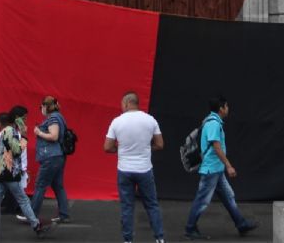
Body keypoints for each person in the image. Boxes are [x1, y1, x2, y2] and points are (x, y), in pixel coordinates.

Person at [183, 95, 258, 240]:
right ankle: (190, 229)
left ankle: (241, 224)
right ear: (221, 108)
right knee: (202, 200)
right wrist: (229, 166)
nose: (228, 109)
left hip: (216, 170)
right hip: (211, 170)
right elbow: (216, 147)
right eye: (227, 106)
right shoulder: (213, 124)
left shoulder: (213, 121)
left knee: (228, 197)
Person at [104, 91, 166, 243]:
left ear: (126, 103)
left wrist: (121, 149)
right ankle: (159, 238)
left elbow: (107, 147)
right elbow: (160, 144)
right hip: (144, 169)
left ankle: (128, 240)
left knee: (127, 207)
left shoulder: (117, 121)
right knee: (152, 205)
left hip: (124, 170)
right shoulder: (150, 120)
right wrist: (145, 148)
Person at [0, 108, 53, 236]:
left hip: (4, 171)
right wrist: (24, 136)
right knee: (23, 199)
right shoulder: (10, 131)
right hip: (10, 172)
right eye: (23, 118)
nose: (25, 121)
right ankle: (36, 225)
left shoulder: (7, 131)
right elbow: (17, 151)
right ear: (16, 118)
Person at [31, 96, 71, 223]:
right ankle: (64, 215)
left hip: (51, 157)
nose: (40, 109)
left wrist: (38, 132)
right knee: (58, 186)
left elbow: (54, 136)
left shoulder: (53, 118)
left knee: (40, 185)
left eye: (41, 107)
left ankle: (31, 216)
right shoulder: (58, 116)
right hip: (57, 156)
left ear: (46, 106)